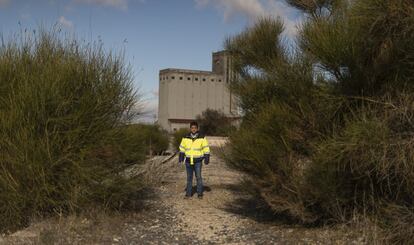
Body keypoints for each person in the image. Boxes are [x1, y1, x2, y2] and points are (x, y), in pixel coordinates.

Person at [178, 121, 210, 199]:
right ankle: (188, 194)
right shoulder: (185, 137)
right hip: (188, 161)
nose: (193, 129)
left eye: (195, 128)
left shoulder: (202, 137)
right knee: (189, 178)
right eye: (192, 128)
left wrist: (207, 157)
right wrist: (181, 156)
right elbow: (182, 148)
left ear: (197, 128)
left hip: (198, 161)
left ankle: (200, 194)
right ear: (190, 128)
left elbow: (206, 147)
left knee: (198, 177)